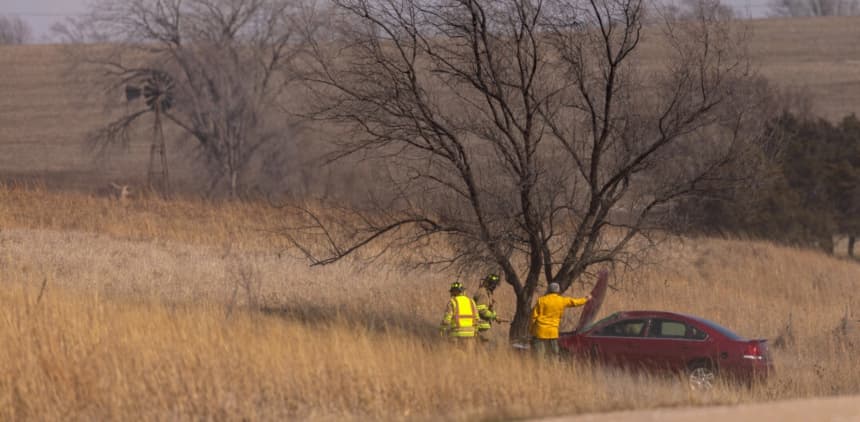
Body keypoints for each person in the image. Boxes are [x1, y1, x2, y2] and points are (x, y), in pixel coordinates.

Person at [529, 282, 591, 358]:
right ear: (558, 290)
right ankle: (553, 368)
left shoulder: (541, 300)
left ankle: (539, 369)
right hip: (553, 332)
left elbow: (533, 317)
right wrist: (586, 299)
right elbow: (575, 302)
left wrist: (531, 330)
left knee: (539, 356)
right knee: (554, 354)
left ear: (548, 289)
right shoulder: (561, 300)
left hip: (540, 331)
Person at [473, 274, 501, 340]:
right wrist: (493, 316)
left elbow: (487, 308)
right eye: (493, 284)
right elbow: (482, 310)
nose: (494, 287)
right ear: (488, 283)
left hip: (482, 327)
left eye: (495, 285)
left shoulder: (486, 293)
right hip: (480, 327)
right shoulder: (483, 293)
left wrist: (496, 317)